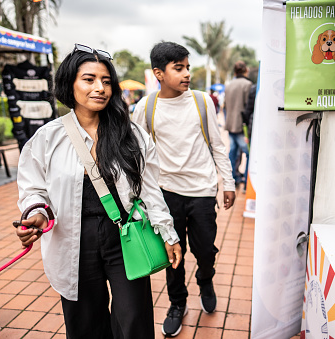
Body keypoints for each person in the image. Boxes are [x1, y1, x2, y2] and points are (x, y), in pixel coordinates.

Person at [15, 44, 182, 339]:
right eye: (89, 79)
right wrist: (37, 213)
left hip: (125, 234)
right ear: (71, 84)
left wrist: (167, 232)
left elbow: (150, 189)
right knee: (85, 323)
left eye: (106, 81)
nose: (100, 88)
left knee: (134, 320)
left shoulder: (130, 134)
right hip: (72, 237)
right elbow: (33, 188)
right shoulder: (48, 137)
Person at [131, 41, 236, 337]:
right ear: (159, 73)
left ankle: (205, 278)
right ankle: (177, 303)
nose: (187, 73)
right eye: (179, 68)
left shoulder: (203, 101)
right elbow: (136, 153)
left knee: (205, 250)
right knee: (173, 255)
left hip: (202, 191)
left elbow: (217, 145)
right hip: (165, 194)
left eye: (187, 67)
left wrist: (227, 183)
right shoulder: (145, 107)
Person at [224, 61, 252, 188]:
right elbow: (248, 107)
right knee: (248, 154)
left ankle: (232, 179)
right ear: (245, 70)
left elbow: (225, 105)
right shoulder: (248, 84)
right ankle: (246, 183)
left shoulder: (229, 85)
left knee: (232, 153)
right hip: (242, 125)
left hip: (230, 124)